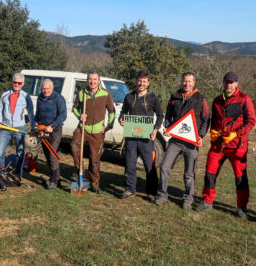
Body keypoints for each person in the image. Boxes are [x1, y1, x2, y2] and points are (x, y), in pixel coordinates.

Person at [195, 72, 255, 218]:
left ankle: (242, 207)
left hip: (237, 146)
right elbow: (214, 121)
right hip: (218, 146)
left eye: (231, 82)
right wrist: (213, 132)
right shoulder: (217, 101)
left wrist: (236, 134)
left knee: (240, 177)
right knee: (210, 173)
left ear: (236, 84)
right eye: (226, 82)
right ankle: (207, 201)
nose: (228, 85)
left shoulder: (244, 99)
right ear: (223, 83)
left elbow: (251, 122)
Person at [155, 72, 209, 209]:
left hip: (191, 143)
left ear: (194, 83)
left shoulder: (201, 99)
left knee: (189, 173)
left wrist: (201, 136)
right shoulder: (174, 97)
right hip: (175, 141)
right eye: (185, 81)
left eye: (190, 81)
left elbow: (206, 120)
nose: (187, 84)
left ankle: (188, 199)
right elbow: (168, 116)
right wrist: (167, 127)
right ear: (181, 82)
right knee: (165, 167)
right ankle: (162, 195)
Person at [118, 70, 163, 200]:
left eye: (144, 81)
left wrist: (156, 129)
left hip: (146, 138)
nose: (141, 83)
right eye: (139, 81)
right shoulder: (129, 97)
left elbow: (160, 115)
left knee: (149, 164)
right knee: (130, 163)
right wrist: (121, 119)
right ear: (136, 81)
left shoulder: (153, 98)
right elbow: (123, 112)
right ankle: (130, 189)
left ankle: (152, 191)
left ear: (148, 83)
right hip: (131, 136)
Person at [71, 69, 115, 194]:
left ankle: (95, 184)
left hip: (97, 131)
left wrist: (108, 127)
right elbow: (74, 109)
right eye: (90, 79)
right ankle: (81, 171)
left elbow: (112, 112)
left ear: (99, 81)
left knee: (95, 159)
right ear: (87, 80)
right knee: (74, 145)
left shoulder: (105, 94)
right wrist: (80, 115)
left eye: (95, 79)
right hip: (83, 128)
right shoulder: (82, 93)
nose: (92, 81)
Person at [0, 73, 35, 179]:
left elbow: (30, 113)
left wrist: (32, 128)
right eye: (14, 82)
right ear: (12, 82)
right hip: (5, 127)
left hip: (19, 128)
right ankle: (0, 171)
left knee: (20, 152)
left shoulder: (26, 96)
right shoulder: (4, 95)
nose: (16, 84)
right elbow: (0, 110)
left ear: (23, 84)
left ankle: (18, 173)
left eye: (19, 83)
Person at [35, 79, 67, 190]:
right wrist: (36, 122)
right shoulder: (40, 97)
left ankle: (54, 181)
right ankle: (55, 178)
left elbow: (63, 115)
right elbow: (38, 113)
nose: (46, 91)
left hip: (55, 129)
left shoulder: (58, 98)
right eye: (43, 89)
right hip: (42, 130)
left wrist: (52, 126)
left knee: (52, 154)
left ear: (52, 88)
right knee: (47, 154)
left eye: (48, 88)